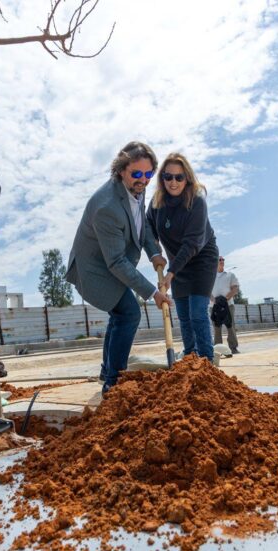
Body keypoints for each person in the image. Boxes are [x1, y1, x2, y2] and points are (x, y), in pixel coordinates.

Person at [66, 142, 172, 393]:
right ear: (121, 170)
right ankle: (113, 384)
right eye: (137, 173)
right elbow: (115, 262)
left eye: (149, 174)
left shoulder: (137, 188)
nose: (143, 180)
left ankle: (107, 371)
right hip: (94, 270)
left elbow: (143, 225)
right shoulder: (107, 207)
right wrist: (153, 293)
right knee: (130, 313)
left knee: (120, 315)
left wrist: (154, 252)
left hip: (111, 262)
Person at [147, 153, 218, 361]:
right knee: (184, 317)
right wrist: (154, 249)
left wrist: (171, 272)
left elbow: (192, 243)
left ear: (187, 178)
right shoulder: (157, 203)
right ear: (162, 179)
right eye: (168, 177)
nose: (173, 182)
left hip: (201, 260)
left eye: (179, 177)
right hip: (177, 264)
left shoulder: (196, 201)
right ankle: (190, 357)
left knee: (197, 312)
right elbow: (147, 225)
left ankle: (207, 363)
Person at [211, 256, 240, 353]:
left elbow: (235, 289)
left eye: (223, 260)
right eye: (219, 259)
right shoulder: (210, 275)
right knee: (217, 327)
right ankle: (218, 350)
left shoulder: (230, 274)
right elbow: (206, 290)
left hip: (228, 305)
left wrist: (224, 299)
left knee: (230, 326)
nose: (222, 261)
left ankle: (233, 348)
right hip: (214, 306)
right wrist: (215, 301)